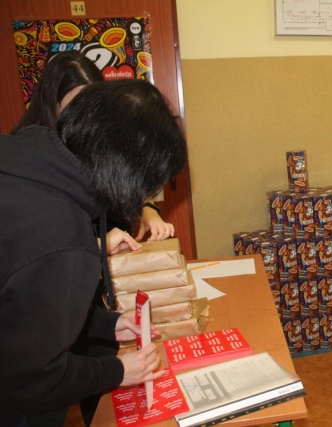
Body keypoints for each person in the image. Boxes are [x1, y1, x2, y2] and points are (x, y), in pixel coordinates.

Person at [0, 79, 188, 426]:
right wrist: (117, 370)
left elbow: (21, 306)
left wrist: (104, 324)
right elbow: (33, 382)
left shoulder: (20, 160)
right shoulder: (62, 237)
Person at [11, 50, 175, 241]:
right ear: (52, 102)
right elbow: (39, 237)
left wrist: (148, 209)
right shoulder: (29, 151)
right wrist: (100, 245)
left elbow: (126, 178)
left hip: (114, 243)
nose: (85, 114)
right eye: (76, 105)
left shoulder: (101, 133)